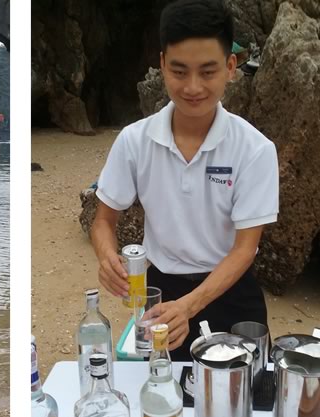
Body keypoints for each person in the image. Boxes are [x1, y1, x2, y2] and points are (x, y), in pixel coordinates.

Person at [91, 0, 277, 361]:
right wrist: (107, 256)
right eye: (179, 71)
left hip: (231, 292)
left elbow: (245, 248)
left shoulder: (254, 149)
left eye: (208, 72)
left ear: (231, 67)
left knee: (240, 398)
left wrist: (189, 307)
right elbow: (103, 219)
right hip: (161, 290)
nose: (193, 87)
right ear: (161, 64)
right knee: (162, 391)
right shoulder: (135, 140)